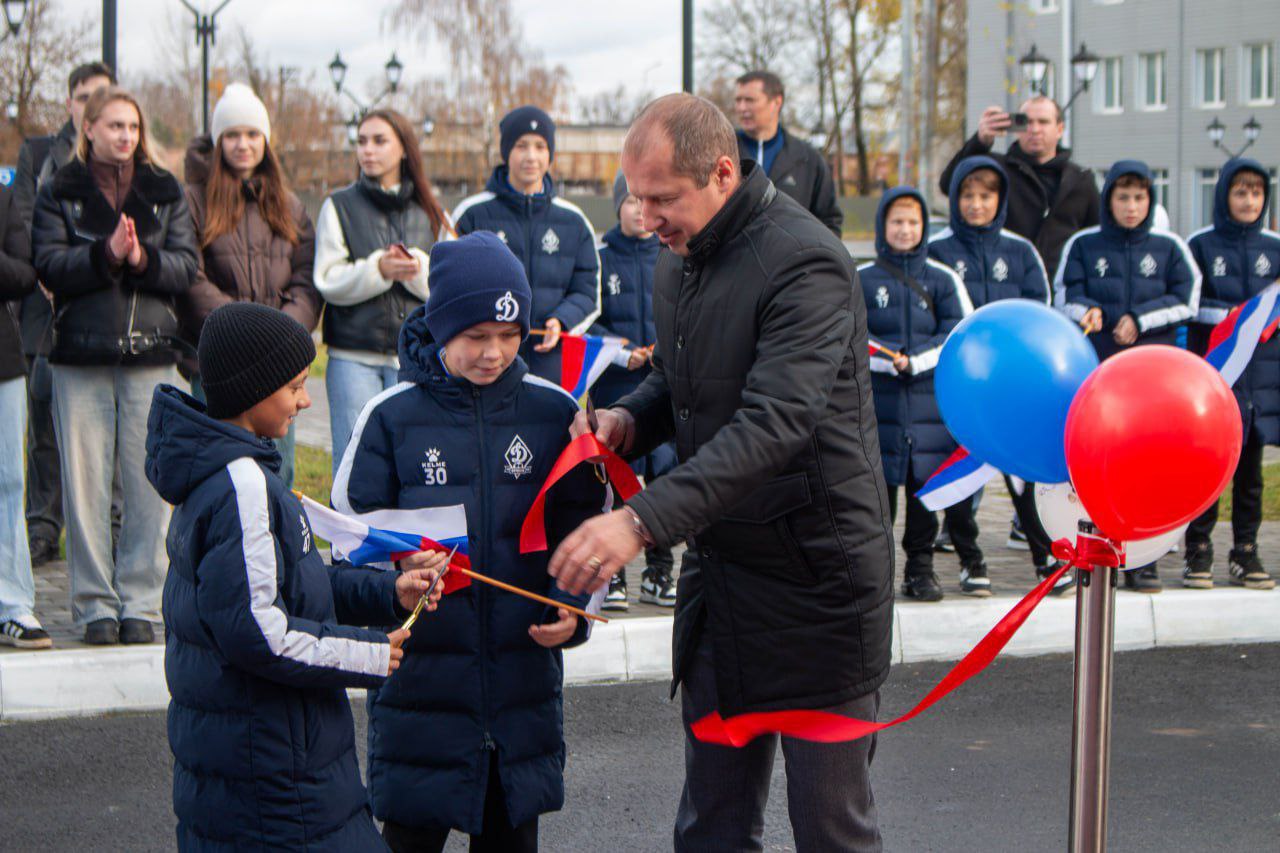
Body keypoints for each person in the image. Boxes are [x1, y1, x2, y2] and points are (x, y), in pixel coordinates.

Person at [548, 94, 893, 852]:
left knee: (832, 830)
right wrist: (626, 421)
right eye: (634, 197)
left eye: (661, 197)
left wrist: (638, 522)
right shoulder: (681, 261)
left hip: (818, 592)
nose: (645, 216)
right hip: (725, 588)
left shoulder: (807, 262)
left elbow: (774, 423)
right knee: (710, 827)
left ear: (723, 172)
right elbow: (680, 382)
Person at [330, 232, 607, 853]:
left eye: (510, 336)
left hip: (521, 694)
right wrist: (395, 581)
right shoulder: (390, 416)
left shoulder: (553, 411)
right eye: (476, 336)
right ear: (440, 325)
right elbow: (347, 546)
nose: (494, 353)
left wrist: (574, 607)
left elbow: (587, 531)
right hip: (420, 695)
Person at [144, 302, 446, 851]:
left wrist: (387, 591)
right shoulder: (242, 486)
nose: (306, 400)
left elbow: (286, 586)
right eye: (295, 387)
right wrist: (371, 653)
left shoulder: (226, 473)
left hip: (258, 765)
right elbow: (259, 631)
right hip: (275, 780)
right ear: (250, 392)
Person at [32, 86, 199, 645]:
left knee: (148, 487)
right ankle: (93, 605)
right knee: (84, 489)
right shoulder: (61, 189)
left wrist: (141, 257)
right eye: (114, 126)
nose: (124, 135)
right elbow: (48, 264)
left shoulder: (164, 188)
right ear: (90, 129)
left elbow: (183, 267)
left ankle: (141, 603)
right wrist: (104, 255)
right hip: (80, 354)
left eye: (132, 126)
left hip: (152, 354)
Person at [927, 156, 1073, 596]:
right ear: (954, 199)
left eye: (985, 195)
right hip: (960, 386)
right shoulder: (937, 251)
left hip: (1012, 388)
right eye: (967, 195)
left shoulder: (1020, 251)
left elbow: (1040, 313)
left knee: (1022, 474)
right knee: (959, 472)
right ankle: (972, 561)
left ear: (1000, 199)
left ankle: (1046, 556)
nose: (976, 204)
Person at [1055, 160, 1200, 592]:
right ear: (1108, 200)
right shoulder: (1083, 244)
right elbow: (1064, 292)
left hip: (1154, 385)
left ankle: (1144, 559)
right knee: (1100, 469)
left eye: (1139, 198)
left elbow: (1188, 297)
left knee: (1149, 468)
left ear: (1150, 201)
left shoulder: (1170, 247)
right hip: (1098, 381)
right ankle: (1100, 551)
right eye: (1122, 197)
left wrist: (1140, 318)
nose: (1131, 207)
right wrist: (1088, 311)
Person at [180, 83, 320, 489]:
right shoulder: (194, 201)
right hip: (217, 364)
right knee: (217, 475)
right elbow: (191, 278)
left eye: (253, 134)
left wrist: (280, 340)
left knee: (278, 472)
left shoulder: (290, 206)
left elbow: (306, 282)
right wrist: (243, 336)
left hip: (279, 370)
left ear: (266, 141)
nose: (243, 144)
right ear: (218, 140)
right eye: (233, 134)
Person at [12, 61, 116, 568]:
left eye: (101, 94)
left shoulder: (123, 161)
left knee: (106, 434)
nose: (89, 102)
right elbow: (26, 221)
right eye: (81, 95)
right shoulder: (38, 153)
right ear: (71, 103)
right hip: (45, 309)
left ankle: (107, 529)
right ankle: (42, 526)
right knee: (43, 424)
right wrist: (51, 272)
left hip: (101, 309)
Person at [315, 108, 452, 475]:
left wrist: (416, 270)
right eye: (361, 141)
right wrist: (377, 269)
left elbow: (449, 284)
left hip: (414, 358)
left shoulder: (432, 210)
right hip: (352, 357)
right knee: (353, 462)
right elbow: (327, 280)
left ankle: (400, 535)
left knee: (410, 463)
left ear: (404, 148)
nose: (367, 150)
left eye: (379, 141)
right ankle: (350, 534)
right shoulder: (338, 206)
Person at [861, 187, 978, 602]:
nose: (905, 230)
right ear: (882, 226)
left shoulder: (943, 279)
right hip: (879, 403)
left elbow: (959, 332)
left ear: (925, 227)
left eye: (913, 222)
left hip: (930, 404)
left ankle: (920, 568)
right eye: (897, 222)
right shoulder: (861, 278)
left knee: (923, 490)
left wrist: (919, 361)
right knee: (876, 498)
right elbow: (849, 333)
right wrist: (885, 360)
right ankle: (874, 576)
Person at [1183, 159, 1280, 591]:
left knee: (1251, 472)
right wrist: (1238, 321)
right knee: (1208, 467)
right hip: (1217, 375)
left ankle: (1245, 549)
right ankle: (1198, 549)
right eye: (1240, 192)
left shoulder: (1275, 247)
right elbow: (1188, 304)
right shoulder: (1201, 245)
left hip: (1259, 378)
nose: (1249, 200)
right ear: (1224, 195)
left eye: (1256, 193)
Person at [452, 105, 601, 383]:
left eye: (540, 147)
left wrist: (562, 320)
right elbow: (446, 286)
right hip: (487, 360)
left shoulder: (575, 221)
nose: (531, 156)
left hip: (551, 359)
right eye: (521, 145)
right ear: (506, 151)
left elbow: (588, 292)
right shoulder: (471, 214)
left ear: (550, 154)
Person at [594, 171, 676, 610]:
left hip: (661, 389)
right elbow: (588, 319)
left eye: (644, 201)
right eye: (628, 202)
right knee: (617, 480)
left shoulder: (672, 252)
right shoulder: (600, 257)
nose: (637, 211)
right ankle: (615, 576)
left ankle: (660, 572)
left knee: (663, 476)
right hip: (616, 388)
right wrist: (619, 351)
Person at [939, 96, 1100, 277]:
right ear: (1015, 129)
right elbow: (948, 185)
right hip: (1006, 278)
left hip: (1063, 284)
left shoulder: (1081, 179)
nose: (1035, 129)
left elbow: (1096, 237)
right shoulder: (997, 169)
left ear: (1060, 129)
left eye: (1043, 122)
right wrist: (980, 141)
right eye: (1027, 122)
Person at [0, 184, 44, 648]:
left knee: (9, 482)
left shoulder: (3, 199)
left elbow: (24, 274)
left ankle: (13, 605)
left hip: (3, 366)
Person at [734, 69, 843, 237]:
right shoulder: (720, 152)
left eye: (749, 100)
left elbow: (829, 223)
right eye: (738, 100)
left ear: (777, 102)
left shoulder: (809, 160)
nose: (742, 108)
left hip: (792, 262)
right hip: (734, 262)